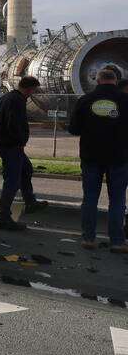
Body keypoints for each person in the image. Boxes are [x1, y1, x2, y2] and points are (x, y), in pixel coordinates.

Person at [68, 69, 128, 252]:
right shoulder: (126, 101)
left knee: (90, 198)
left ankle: (88, 238)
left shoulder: (85, 101)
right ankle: (117, 241)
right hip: (119, 158)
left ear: (97, 81)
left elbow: (74, 129)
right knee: (117, 199)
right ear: (116, 82)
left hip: (91, 157)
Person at [0, 76, 49, 231]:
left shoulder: (8, 97)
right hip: (11, 145)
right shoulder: (17, 101)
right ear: (29, 88)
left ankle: (30, 201)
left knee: (26, 169)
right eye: (33, 90)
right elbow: (14, 124)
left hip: (6, 143)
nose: (33, 94)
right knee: (12, 181)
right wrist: (21, 140)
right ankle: (3, 217)